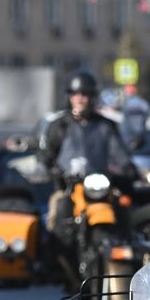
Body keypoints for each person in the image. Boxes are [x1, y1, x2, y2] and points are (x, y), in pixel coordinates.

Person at [39, 70, 135, 232]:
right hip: (67, 188)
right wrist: (50, 170)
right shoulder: (59, 125)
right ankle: (53, 254)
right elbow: (46, 154)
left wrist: (128, 168)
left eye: (84, 94)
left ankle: (127, 250)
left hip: (100, 188)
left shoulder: (105, 125)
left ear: (92, 97)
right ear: (69, 97)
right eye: (75, 94)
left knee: (123, 210)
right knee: (57, 212)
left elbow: (119, 153)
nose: (79, 99)